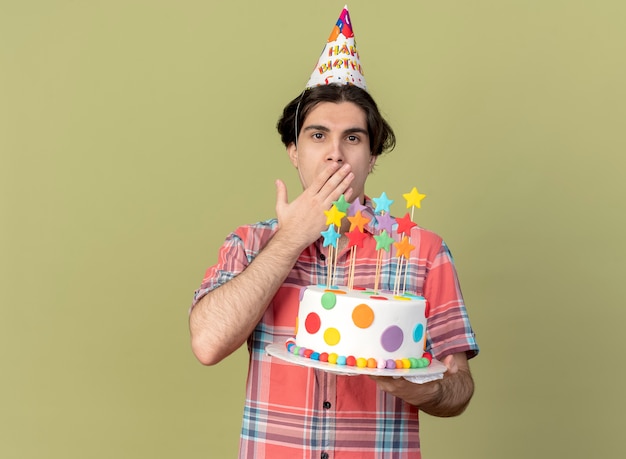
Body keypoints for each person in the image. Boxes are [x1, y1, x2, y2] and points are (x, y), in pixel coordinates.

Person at [189, 7, 478, 458]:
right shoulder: (248, 245)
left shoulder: (423, 251)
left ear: (373, 155)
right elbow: (206, 344)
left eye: (354, 138)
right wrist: (290, 238)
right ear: (293, 151)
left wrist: (411, 386)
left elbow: (459, 388)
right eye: (318, 136)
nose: (335, 155)